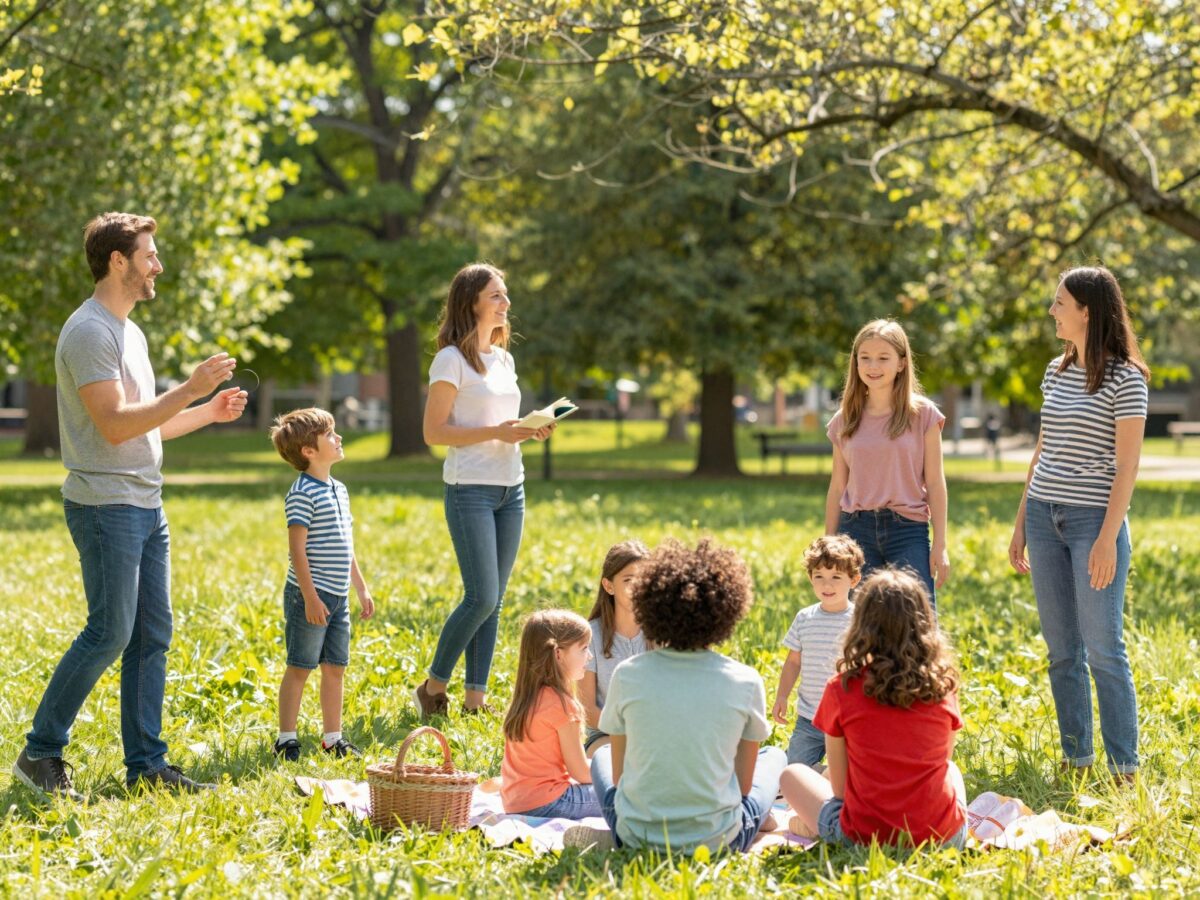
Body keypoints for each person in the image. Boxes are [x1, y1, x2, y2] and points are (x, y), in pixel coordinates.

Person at [12, 212, 247, 798]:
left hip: (144, 503)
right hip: (104, 505)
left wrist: (206, 412)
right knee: (110, 631)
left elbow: (148, 428)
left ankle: (147, 765)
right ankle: (40, 752)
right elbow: (114, 427)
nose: (157, 266)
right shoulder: (90, 331)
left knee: (150, 634)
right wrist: (190, 388)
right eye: (149, 255)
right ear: (118, 261)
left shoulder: (131, 333)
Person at [1008, 266, 1149, 781]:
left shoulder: (1126, 378)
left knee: (1104, 648)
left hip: (1094, 522)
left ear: (1086, 310)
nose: (1052, 311)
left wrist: (1108, 538)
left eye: (1059, 303)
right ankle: (1077, 757)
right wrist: (1022, 521)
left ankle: (1124, 767)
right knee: (1062, 650)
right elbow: (1042, 451)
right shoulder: (1055, 371)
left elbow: (1128, 466)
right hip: (1045, 516)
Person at [563, 539, 786, 854]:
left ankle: (612, 837)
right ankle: (761, 820)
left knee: (601, 755)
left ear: (651, 604)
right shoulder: (747, 680)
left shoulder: (627, 673)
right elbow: (744, 788)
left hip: (635, 834)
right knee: (775, 757)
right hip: (719, 840)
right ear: (730, 610)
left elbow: (621, 777)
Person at [413, 263, 553, 718]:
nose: (506, 304)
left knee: (495, 600)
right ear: (471, 301)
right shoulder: (450, 360)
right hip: (469, 488)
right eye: (496, 296)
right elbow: (434, 432)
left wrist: (528, 430)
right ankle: (434, 684)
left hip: (510, 488)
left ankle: (476, 699)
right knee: (481, 596)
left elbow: (501, 423)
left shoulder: (505, 358)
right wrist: (497, 431)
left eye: (505, 295)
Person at [780, 568, 967, 849]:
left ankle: (812, 825)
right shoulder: (943, 685)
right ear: (924, 622)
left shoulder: (841, 688)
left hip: (863, 836)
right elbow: (941, 762)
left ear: (860, 623)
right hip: (942, 838)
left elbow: (840, 790)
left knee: (791, 774)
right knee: (951, 770)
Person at [268, 408, 375, 761]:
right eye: (329, 434)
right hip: (308, 595)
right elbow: (296, 551)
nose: (338, 437)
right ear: (308, 452)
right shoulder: (302, 493)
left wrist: (360, 587)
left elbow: (347, 546)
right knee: (300, 665)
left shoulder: (339, 490)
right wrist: (311, 597)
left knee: (336, 667)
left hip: (338, 596)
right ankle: (286, 738)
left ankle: (333, 738)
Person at [825, 319, 950, 607]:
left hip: (907, 529)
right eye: (865, 358)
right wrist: (829, 544)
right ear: (855, 363)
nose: (873, 366)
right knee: (859, 625)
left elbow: (934, 482)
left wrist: (940, 545)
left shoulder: (924, 415)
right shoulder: (845, 419)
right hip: (855, 532)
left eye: (883, 358)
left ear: (902, 363)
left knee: (917, 622)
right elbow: (836, 487)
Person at [770, 535, 863, 767]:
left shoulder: (860, 620)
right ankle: (817, 777)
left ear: (854, 580)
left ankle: (826, 780)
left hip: (846, 719)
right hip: (808, 718)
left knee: (849, 774)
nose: (826, 585)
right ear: (810, 578)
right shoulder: (805, 617)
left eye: (836, 577)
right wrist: (782, 695)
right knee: (793, 771)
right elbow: (793, 662)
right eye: (819, 576)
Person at [500, 610, 601, 818]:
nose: (589, 655)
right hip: (553, 802)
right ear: (558, 654)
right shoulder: (562, 705)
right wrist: (613, 774)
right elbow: (580, 772)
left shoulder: (528, 697)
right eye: (583, 648)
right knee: (624, 796)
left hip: (515, 802)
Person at [578, 539, 651, 758]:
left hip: (655, 735)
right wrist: (632, 735)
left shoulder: (660, 634)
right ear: (609, 586)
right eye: (628, 580)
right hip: (604, 736)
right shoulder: (590, 636)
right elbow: (588, 711)